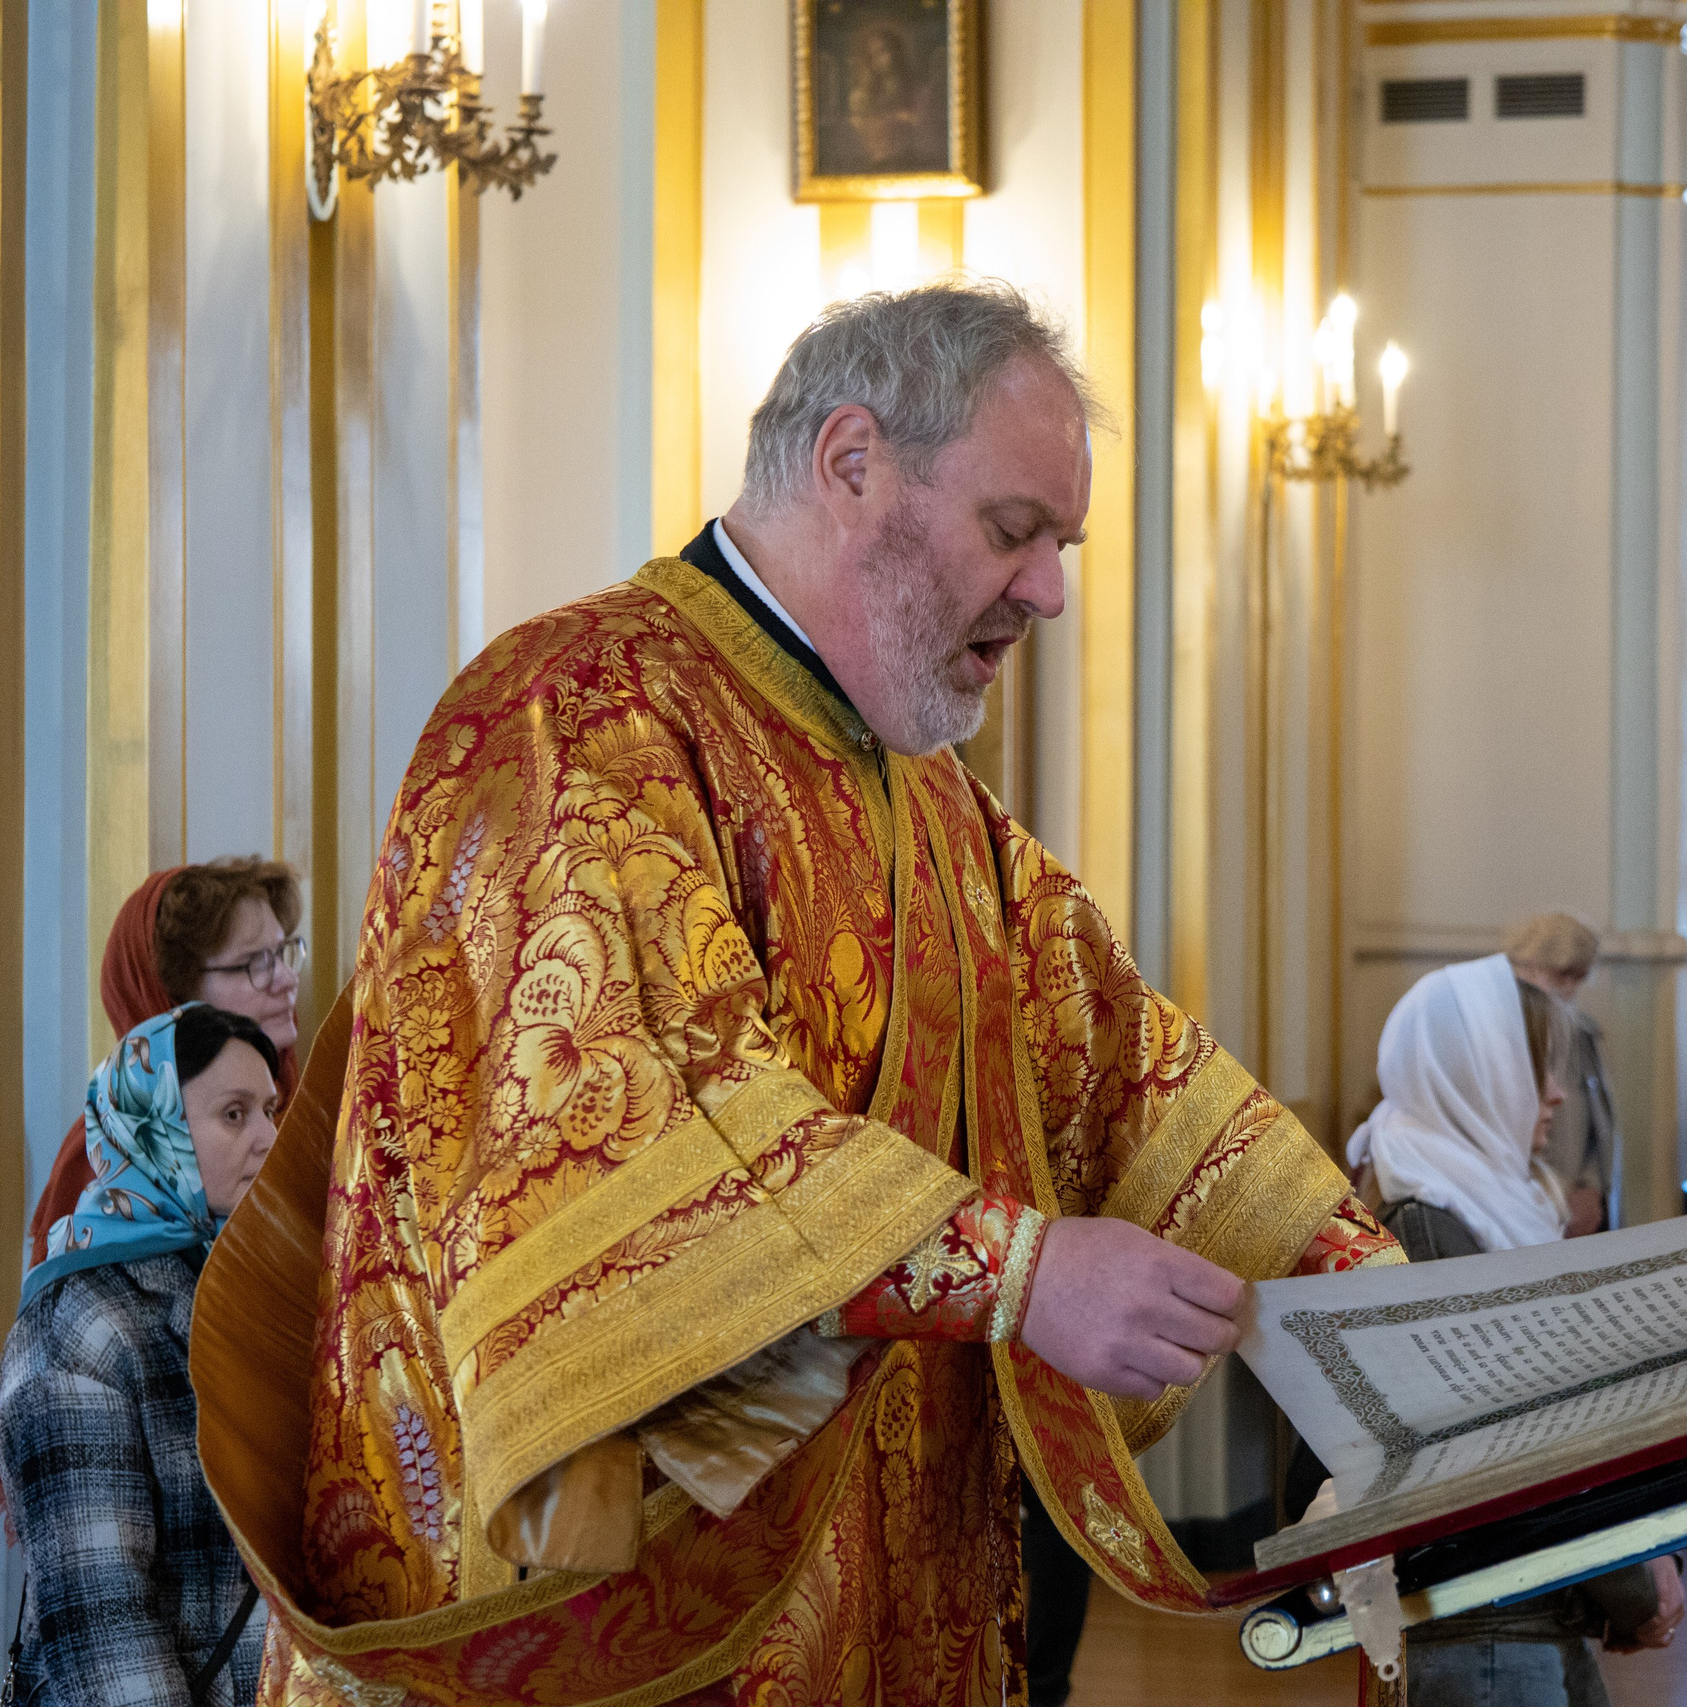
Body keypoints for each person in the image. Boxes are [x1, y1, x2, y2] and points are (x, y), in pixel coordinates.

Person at [190, 280, 1405, 1705]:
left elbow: (1131, 1071)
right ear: (851, 463)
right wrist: (1018, 1271)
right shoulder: (575, 715)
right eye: (1014, 530)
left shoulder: (931, 800)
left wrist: (1398, 1321)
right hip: (615, 1620)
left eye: (1061, 546)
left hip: (884, 1597)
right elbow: (643, 1135)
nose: (1050, 592)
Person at [1314, 955, 1681, 1704]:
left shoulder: (1477, 1209)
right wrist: (1634, 1582)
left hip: (1521, 1614)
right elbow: (1519, 1447)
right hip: (1482, 1631)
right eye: (1534, 1068)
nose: (1556, 1094)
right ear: (1473, 1074)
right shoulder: (1430, 1230)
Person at [0, 1005, 283, 1707]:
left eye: (271, 1110)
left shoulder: (250, 1287)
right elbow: (102, 1627)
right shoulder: (79, 1323)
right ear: (154, 1129)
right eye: (235, 1114)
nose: (270, 1138)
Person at [24, 859, 307, 1270]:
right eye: (255, 963)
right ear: (172, 997)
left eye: (282, 953)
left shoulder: (315, 1110)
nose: (287, 979)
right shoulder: (110, 1155)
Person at [1505, 911, 1619, 1235]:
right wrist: (1554, 1195)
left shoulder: (1582, 1032)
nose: (1569, 987)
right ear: (1530, 965)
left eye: (1578, 977)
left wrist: (1591, 1185)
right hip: (1532, 1195)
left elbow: (1601, 1123)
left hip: (1579, 1191)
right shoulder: (1507, 1031)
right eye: (1561, 975)